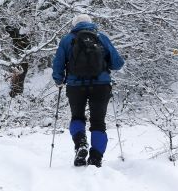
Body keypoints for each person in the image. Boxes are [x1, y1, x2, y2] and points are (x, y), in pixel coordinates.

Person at [51, 13, 125, 167]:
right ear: (91, 24)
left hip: (75, 86)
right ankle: (96, 158)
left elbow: (58, 63)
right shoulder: (101, 37)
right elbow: (117, 63)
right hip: (101, 86)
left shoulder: (67, 40)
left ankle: (80, 144)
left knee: (77, 117)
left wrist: (59, 80)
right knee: (98, 122)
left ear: (74, 25)